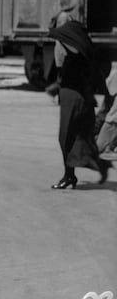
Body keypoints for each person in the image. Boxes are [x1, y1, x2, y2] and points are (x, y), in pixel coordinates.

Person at [48, 20, 110, 188]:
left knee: (67, 137)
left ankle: (71, 176)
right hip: (71, 98)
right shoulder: (79, 53)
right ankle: (74, 174)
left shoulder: (81, 55)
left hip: (75, 100)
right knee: (76, 137)